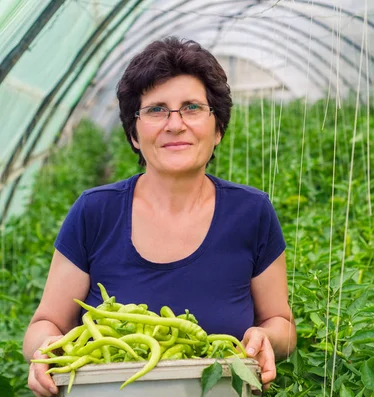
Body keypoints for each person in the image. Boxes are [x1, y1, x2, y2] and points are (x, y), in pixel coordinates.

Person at [23, 36, 296, 397]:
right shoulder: (95, 212)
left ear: (218, 130)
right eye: (155, 110)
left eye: (192, 108)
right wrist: (44, 350)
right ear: (134, 134)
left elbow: (282, 324)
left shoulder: (251, 213)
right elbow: (46, 323)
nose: (175, 124)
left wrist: (267, 338)